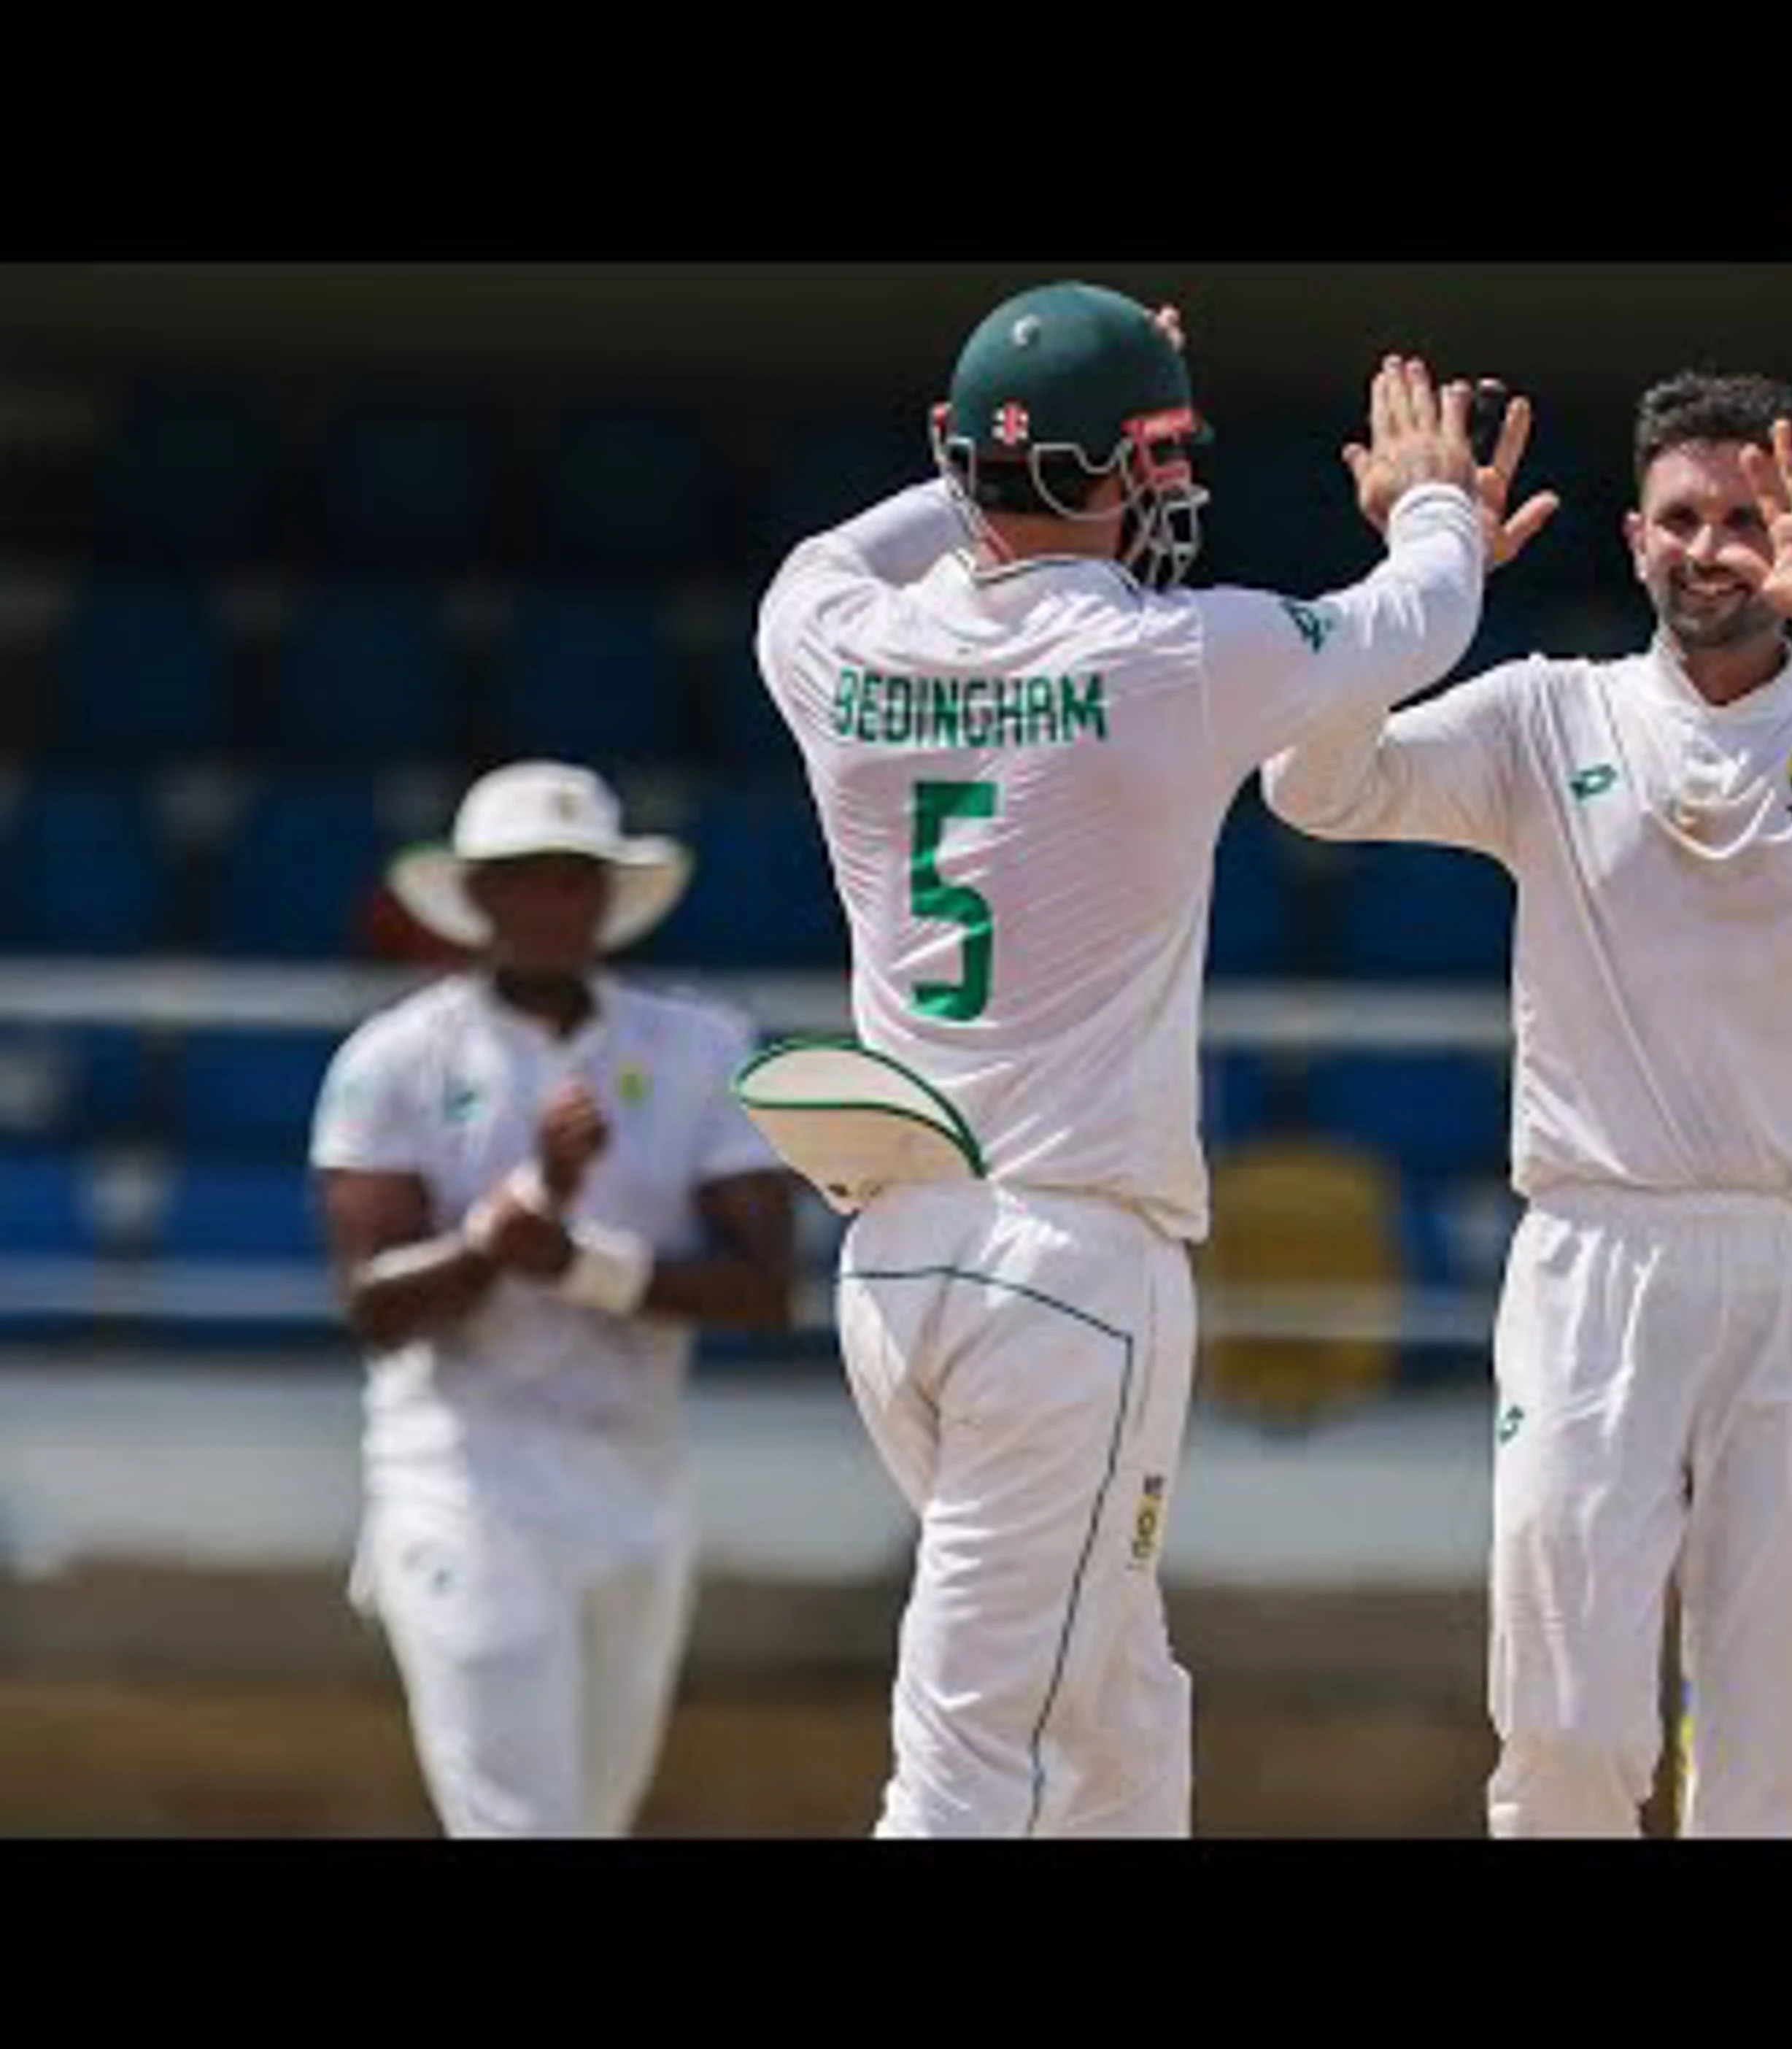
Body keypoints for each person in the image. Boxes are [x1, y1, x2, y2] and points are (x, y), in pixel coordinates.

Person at [749, 279, 1530, 1837]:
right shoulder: (1176, 655)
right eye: (1152, 464)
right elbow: (1421, 619)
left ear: (950, 458)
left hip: (896, 1260)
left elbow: (853, 547)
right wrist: (1435, 499)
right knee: (976, 1758)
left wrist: (1020, 444)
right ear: (1124, 477)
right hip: (1069, 1268)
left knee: (1115, 1708)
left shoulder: (824, 640)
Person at [1262, 369, 1792, 1837]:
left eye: (1748, 521)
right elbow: (1309, 788)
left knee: (1786, 1749)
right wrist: (1414, 577)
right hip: (1597, 1254)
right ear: (1636, 539)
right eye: (1685, 520)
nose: (1715, 550)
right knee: (1565, 1724)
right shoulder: (1542, 716)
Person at [309, 760, 799, 1838]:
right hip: (461, 1472)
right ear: (476, 895)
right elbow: (374, 1305)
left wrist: (576, 1258)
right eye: (523, 878)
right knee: (519, 1822)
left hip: (635, 1475)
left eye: (573, 878)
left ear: (608, 894)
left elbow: (768, 1287)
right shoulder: (395, 1058)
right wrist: (515, 1220)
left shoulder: (700, 1044)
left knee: (594, 1812)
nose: (550, 904)